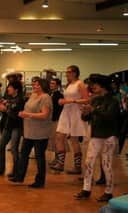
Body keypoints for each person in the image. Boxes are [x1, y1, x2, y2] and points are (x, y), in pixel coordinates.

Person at [74, 74, 120, 202]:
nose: (92, 87)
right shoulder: (95, 100)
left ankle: (109, 191)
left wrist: (93, 110)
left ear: (103, 85)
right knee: (89, 162)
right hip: (96, 135)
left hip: (109, 136)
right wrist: (85, 113)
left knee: (107, 164)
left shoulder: (113, 101)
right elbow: (87, 119)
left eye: (95, 84)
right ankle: (86, 189)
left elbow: (109, 117)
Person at [9, 78, 52, 188]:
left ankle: (40, 181)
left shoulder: (45, 98)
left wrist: (28, 115)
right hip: (29, 131)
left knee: (39, 157)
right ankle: (19, 176)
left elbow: (44, 115)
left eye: (38, 85)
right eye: (34, 84)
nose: (35, 86)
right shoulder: (33, 95)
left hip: (40, 132)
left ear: (43, 86)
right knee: (23, 155)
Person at [50, 65, 89, 174]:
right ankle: (60, 162)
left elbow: (87, 100)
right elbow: (68, 98)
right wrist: (63, 101)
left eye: (69, 72)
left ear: (75, 73)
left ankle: (77, 166)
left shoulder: (80, 84)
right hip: (66, 111)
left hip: (75, 112)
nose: (66, 74)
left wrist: (72, 101)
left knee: (74, 139)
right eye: (66, 72)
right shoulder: (68, 84)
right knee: (59, 136)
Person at [0, 80, 24, 177]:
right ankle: (0, 169)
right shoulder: (9, 98)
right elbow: (2, 106)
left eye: (10, 87)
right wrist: (4, 107)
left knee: (14, 149)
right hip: (8, 126)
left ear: (16, 89)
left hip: (16, 127)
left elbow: (16, 113)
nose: (8, 89)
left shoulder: (20, 100)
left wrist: (6, 109)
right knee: (1, 146)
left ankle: (16, 171)